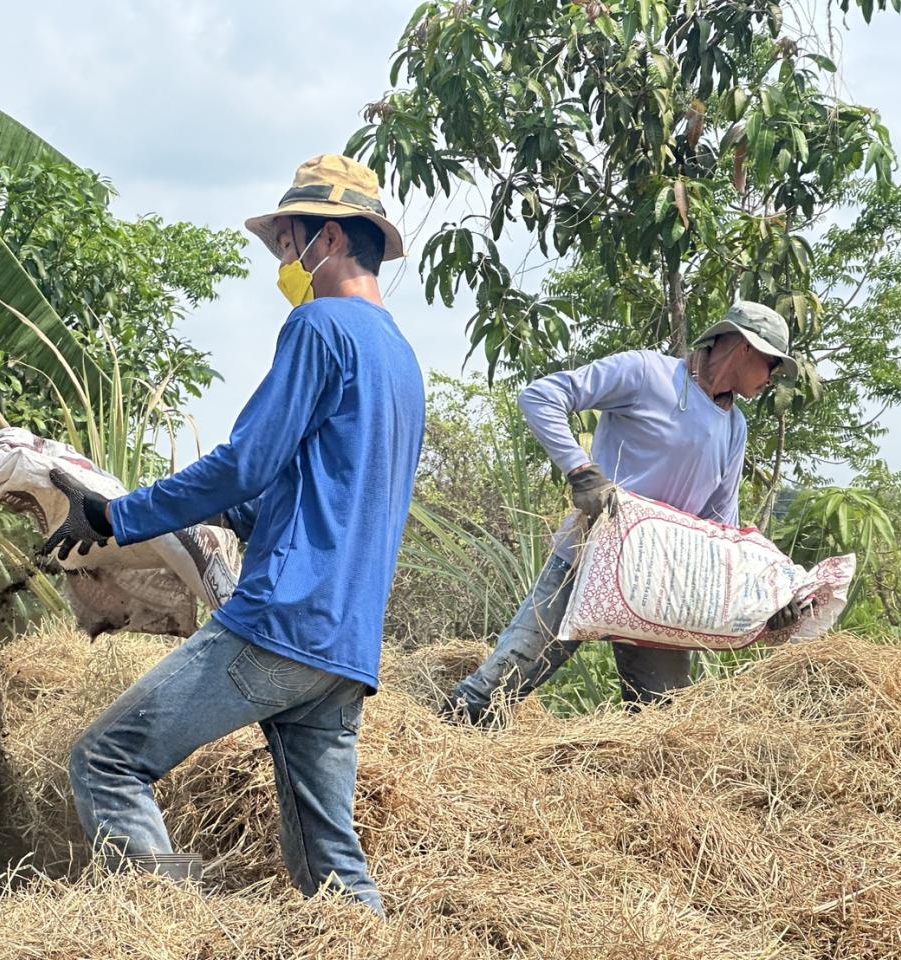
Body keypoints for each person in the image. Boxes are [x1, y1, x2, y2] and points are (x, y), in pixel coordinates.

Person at [41, 155, 425, 915]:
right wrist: (185, 517)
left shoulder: (320, 325)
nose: (286, 262)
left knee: (107, 761)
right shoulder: (402, 361)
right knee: (330, 864)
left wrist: (118, 515)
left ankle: (173, 930)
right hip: (345, 646)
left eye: (291, 244)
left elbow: (244, 463)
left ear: (333, 238)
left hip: (281, 623)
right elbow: (297, 495)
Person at [444, 302, 804, 726]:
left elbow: (721, 524)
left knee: (662, 720)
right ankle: (442, 742)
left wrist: (767, 596)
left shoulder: (734, 426)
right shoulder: (646, 374)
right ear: (745, 348)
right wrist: (582, 473)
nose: (772, 380)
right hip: (590, 557)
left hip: (663, 586)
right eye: (771, 365)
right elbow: (541, 397)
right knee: (504, 682)